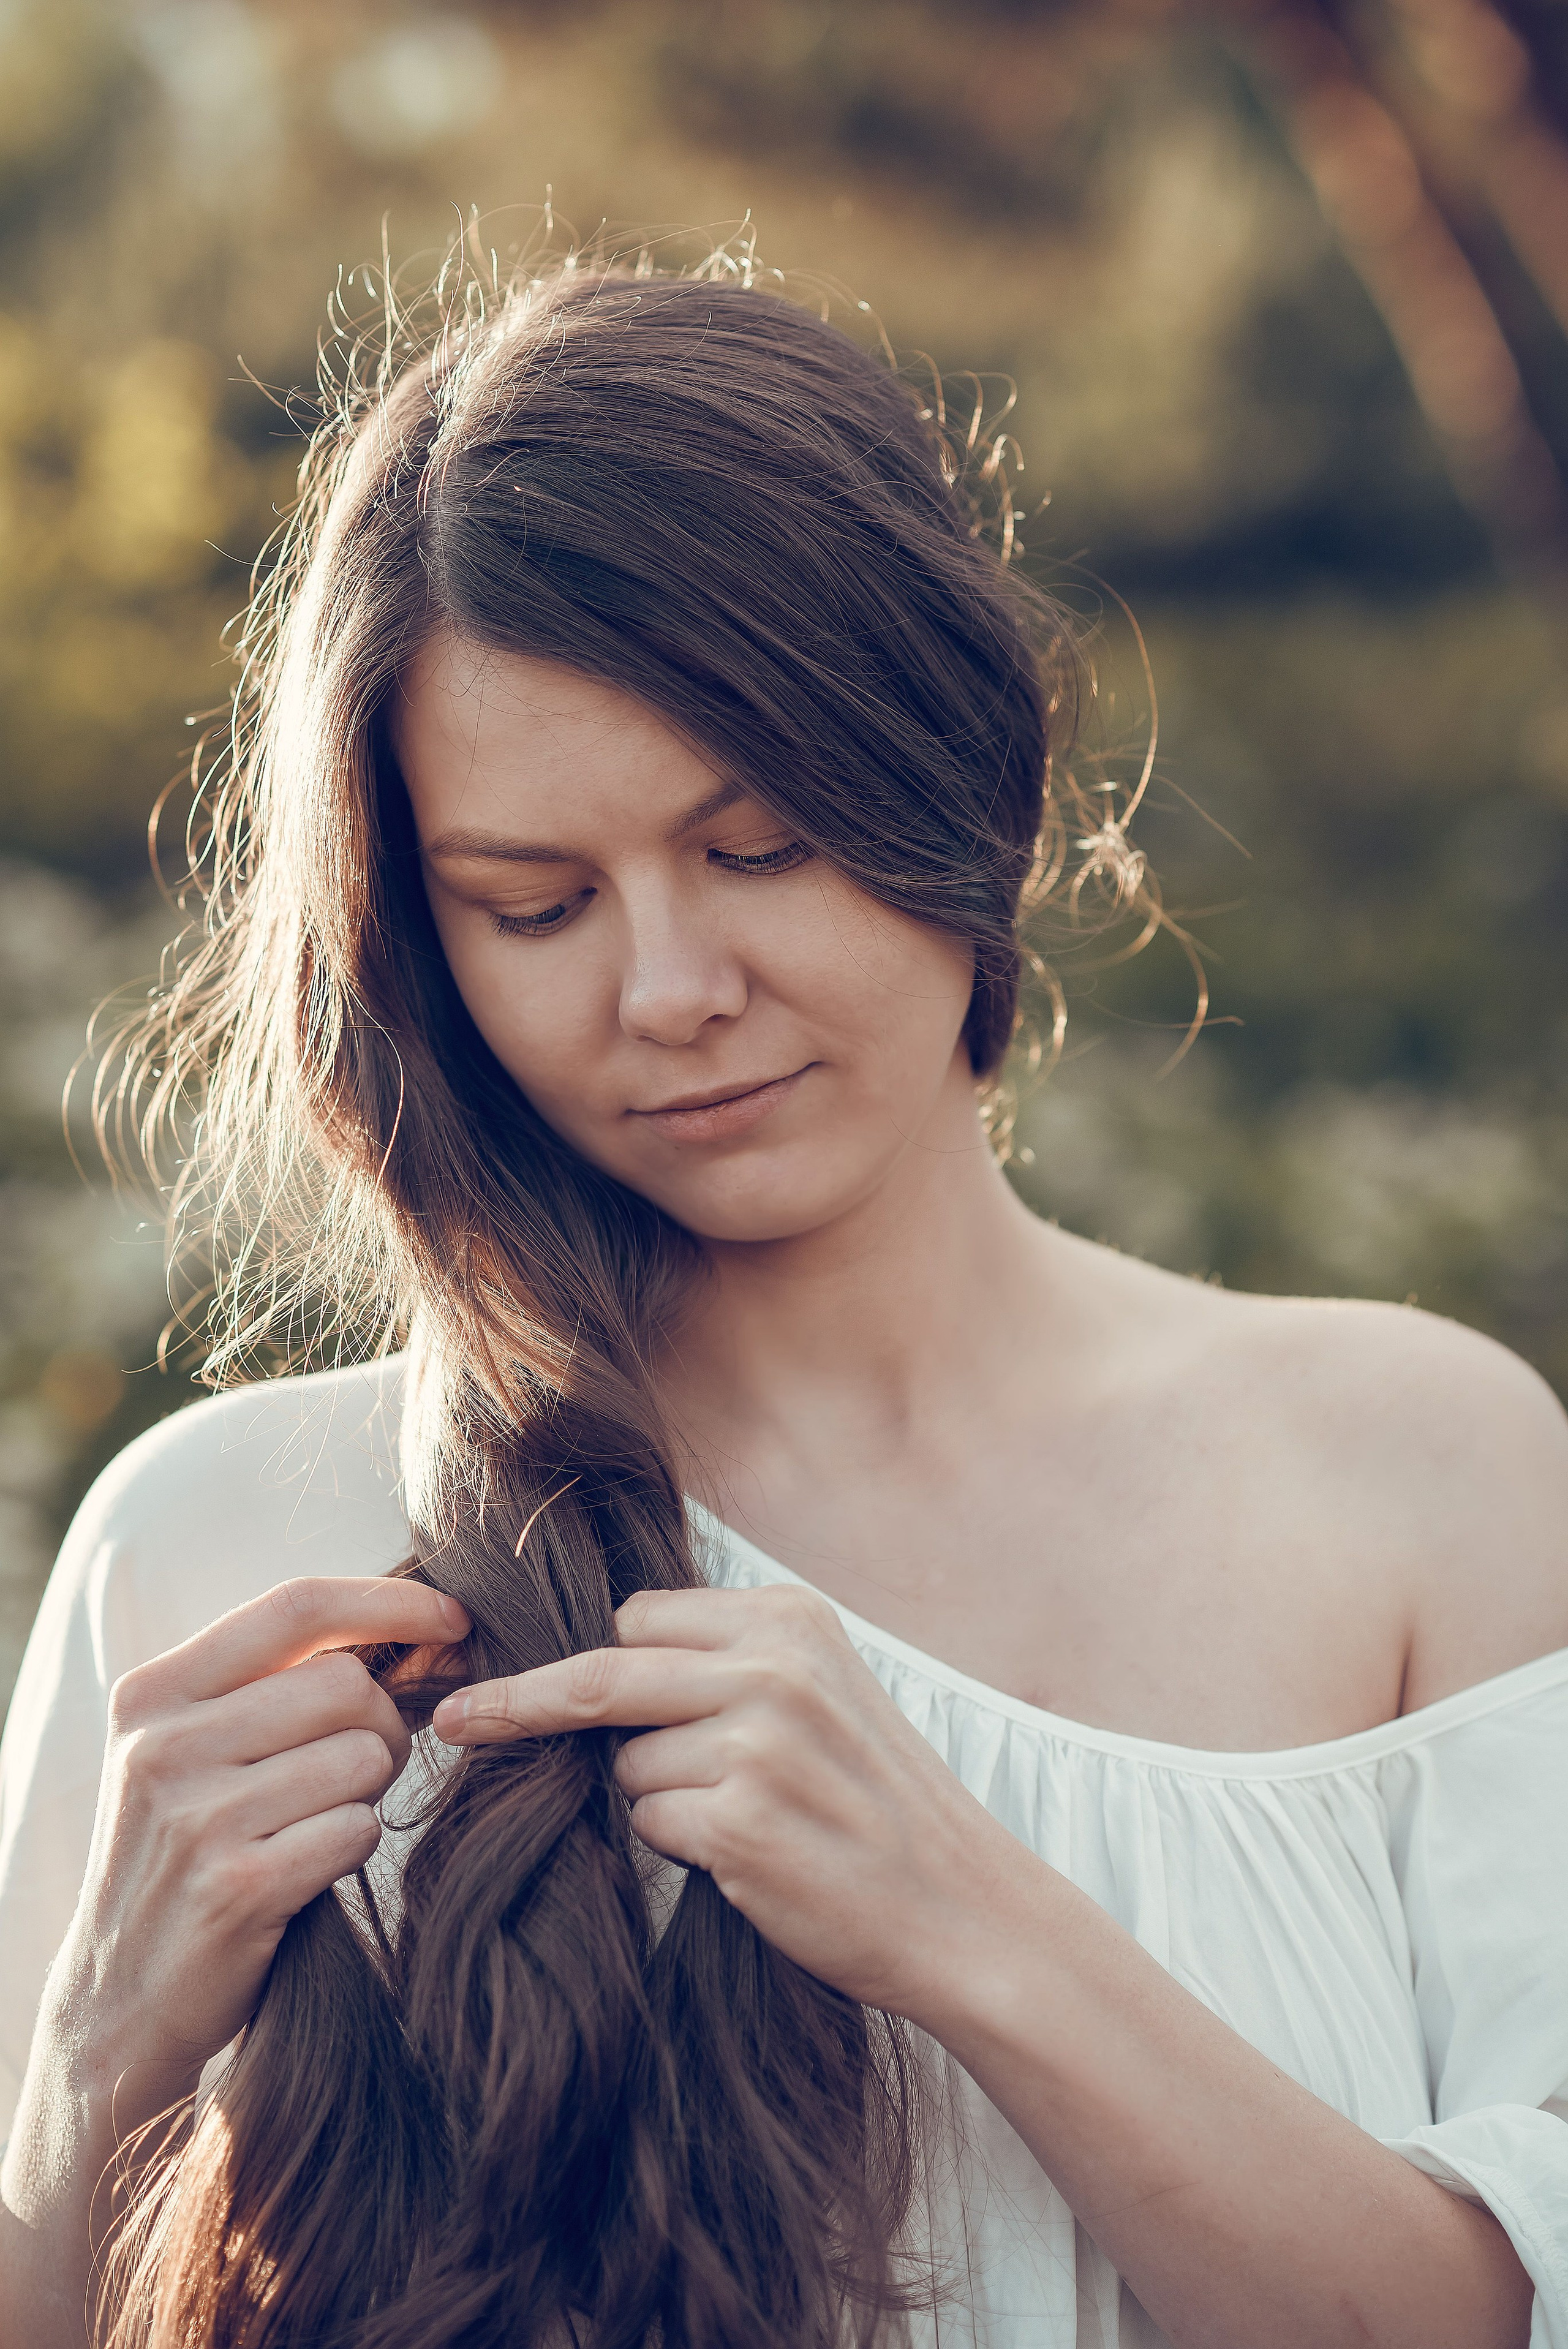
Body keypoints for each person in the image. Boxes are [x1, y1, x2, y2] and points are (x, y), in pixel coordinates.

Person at [1, 245, 1565, 2349]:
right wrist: (91, 2059)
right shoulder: (221, 1551)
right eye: (533, 904)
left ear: (968, 772)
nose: (669, 992)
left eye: (755, 852)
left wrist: (975, 1924)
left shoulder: (1426, 1474)